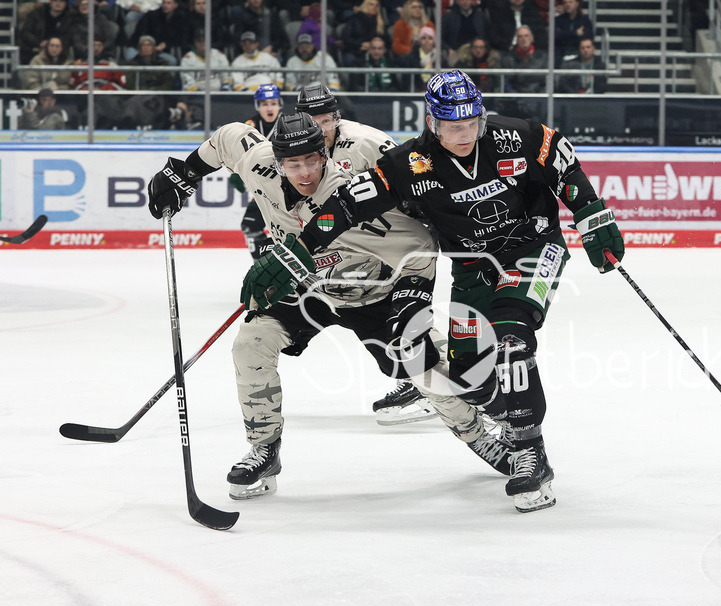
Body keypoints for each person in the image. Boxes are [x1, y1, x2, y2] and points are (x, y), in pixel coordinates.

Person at [238, 70, 625, 512]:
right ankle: (502, 407)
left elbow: (560, 157)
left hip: (532, 248)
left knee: (511, 337)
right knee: (468, 374)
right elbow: (344, 207)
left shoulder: (518, 136)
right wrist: (300, 250)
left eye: (471, 124)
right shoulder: (408, 164)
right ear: (431, 123)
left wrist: (591, 212)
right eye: (452, 127)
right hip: (472, 267)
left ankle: (529, 452)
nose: (464, 135)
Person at [145, 110, 516, 501]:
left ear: (325, 156)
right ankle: (264, 448)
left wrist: (411, 301)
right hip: (307, 290)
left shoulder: (353, 201)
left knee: (424, 365)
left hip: (371, 294)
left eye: (312, 161)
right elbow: (227, 137)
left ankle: (481, 433)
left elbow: (421, 245)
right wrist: (182, 174)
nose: (305, 173)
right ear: (277, 161)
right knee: (250, 343)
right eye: (293, 164)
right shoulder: (259, 166)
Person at [296, 82, 436, 424]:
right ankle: (423, 378)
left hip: (390, 242)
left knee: (400, 312)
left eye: (326, 121)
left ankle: (449, 383)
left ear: (336, 117)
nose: (320, 129)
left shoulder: (363, 141)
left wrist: (423, 215)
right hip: (343, 249)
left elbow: (416, 170)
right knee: (383, 324)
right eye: (312, 122)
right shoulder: (296, 147)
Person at [230, 83, 281, 259]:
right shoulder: (249, 127)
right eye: (264, 104)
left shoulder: (289, 125)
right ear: (257, 106)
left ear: (279, 105)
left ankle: (287, 269)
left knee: (287, 232)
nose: (269, 108)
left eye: (273, 103)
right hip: (263, 190)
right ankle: (263, 268)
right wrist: (236, 173)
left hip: (289, 191)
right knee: (250, 226)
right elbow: (237, 154)